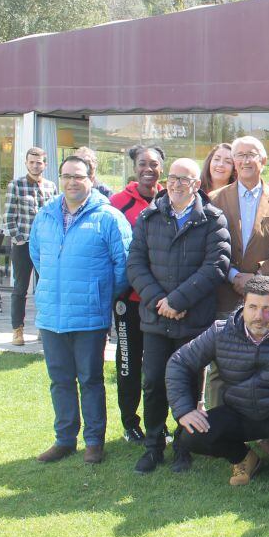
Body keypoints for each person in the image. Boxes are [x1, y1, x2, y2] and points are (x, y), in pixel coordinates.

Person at [126, 158, 230, 474]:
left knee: (188, 383)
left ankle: (184, 445)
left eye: (183, 179)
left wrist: (179, 299)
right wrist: (161, 301)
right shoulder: (149, 217)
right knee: (154, 382)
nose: (175, 184)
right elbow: (135, 265)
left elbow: (217, 266)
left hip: (193, 317)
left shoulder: (213, 219)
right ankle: (154, 445)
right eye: (172, 178)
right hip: (157, 318)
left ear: (197, 185)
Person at [165, 275, 269, 489]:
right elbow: (179, 362)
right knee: (190, 435)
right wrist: (184, 409)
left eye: (267, 308)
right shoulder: (220, 331)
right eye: (252, 307)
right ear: (243, 304)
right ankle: (243, 458)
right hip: (237, 412)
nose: (259, 316)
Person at [30, 155, 132, 464]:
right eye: (66, 176)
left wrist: (97, 295)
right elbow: (37, 257)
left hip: (89, 315)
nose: (72, 181)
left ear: (91, 178)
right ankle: (64, 439)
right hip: (51, 315)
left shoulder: (108, 217)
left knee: (90, 379)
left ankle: (93, 441)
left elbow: (124, 267)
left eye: (78, 176)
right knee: (59, 380)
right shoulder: (45, 216)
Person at [109, 145, 165, 444]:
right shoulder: (117, 203)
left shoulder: (170, 199)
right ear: (134, 167)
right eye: (142, 163)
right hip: (129, 301)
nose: (148, 169)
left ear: (161, 168)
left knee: (159, 367)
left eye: (154, 164)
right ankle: (130, 422)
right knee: (129, 362)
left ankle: (160, 421)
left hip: (161, 301)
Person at [209, 136, 269, 314]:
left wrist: (257, 278)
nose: (245, 161)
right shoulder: (214, 199)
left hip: (265, 298)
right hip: (224, 296)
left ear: (263, 161)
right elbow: (209, 247)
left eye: (251, 155)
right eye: (240, 155)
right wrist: (234, 276)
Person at [2, 146, 57, 346]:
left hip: (46, 246)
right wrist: (17, 238)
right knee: (20, 288)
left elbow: (56, 215)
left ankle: (44, 327)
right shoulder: (16, 185)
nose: (35, 165)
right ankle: (17, 329)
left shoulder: (51, 187)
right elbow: (8, 217)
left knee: (46, 287)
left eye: (39, 162)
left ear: (45, 164)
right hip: (23, 244)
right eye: (32, 162)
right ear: (26, 163)